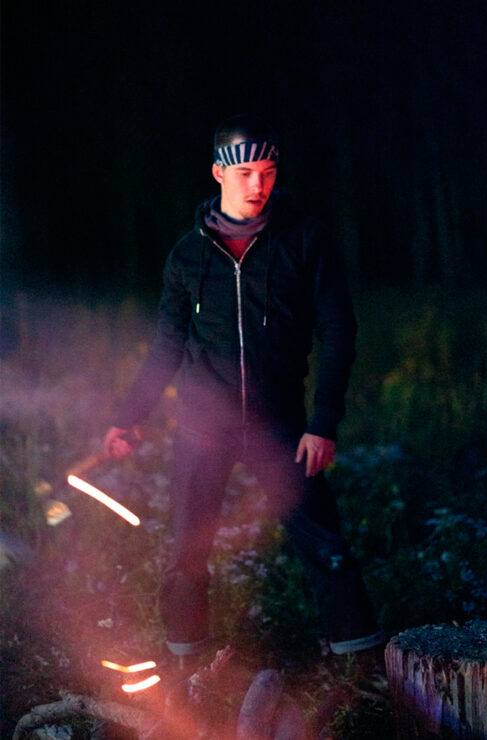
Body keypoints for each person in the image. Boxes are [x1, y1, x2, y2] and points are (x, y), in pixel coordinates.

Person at [101, 114, 382, 669]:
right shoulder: (188, 256)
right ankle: (188, 665)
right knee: (188, 549)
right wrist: (129, 416)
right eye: (247, 172)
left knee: (322, 544)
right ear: (218, 173)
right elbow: (166, 345)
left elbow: (338, 331)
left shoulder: (304, 240)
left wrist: (323, 422)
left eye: (269, 172)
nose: (259, 185)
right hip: (202, 427)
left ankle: (362, 667)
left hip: (280, 424)